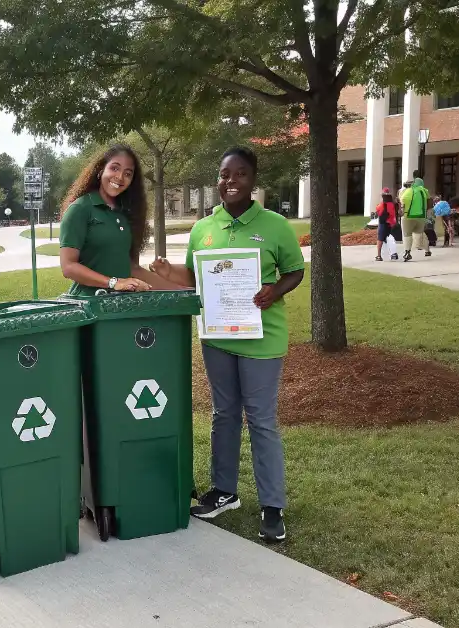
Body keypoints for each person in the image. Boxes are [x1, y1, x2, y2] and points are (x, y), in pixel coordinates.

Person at [150, 146, 305, 543]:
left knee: (262, 419)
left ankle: (273, 506)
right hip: (217, 336)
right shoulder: (205, 228)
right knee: (224, 413)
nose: (230, 181)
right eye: (223, 174)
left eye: (239, 174)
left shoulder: (274, 225)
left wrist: (274, 290)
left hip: (262, 338)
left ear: (253, 180)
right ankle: (224, 492)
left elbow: (294, 271)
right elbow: (195, 276)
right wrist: (170, 271)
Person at [57, 143, 167, 294]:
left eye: (128, 174)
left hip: (120, 306)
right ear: (101, 169)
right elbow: (68, 267)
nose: (120, 177)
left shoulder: (125, 213)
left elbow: (132, 269)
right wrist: (113, 282)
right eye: (114, 168)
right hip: (87, 306)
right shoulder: (80, 209)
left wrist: (186, 290)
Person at [401, 177, 432, 261]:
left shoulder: (408, 191)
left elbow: (402, 201)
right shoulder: (425, 191)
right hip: (421, 217)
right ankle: (427, 250)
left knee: (407, 234)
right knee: (420, 233)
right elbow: (430, 203)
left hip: (408, 216)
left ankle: (407, 252)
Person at [374, 188, 399, 262]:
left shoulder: (382, 205)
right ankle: (393, 253)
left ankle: (379, 255)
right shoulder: (393, 204)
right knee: (391, 239)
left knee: (380, 239)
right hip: (392, 224)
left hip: (384, 224)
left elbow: (378, 211)